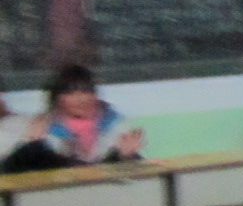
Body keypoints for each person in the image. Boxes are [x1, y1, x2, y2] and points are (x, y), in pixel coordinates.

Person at [2, 64, 143, 172]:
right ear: (57, 98)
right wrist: (32, 145)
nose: (80, 98)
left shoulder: (117, 126)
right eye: (70, 92)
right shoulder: (33, 127)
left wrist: (124, 157)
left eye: (86, 90)